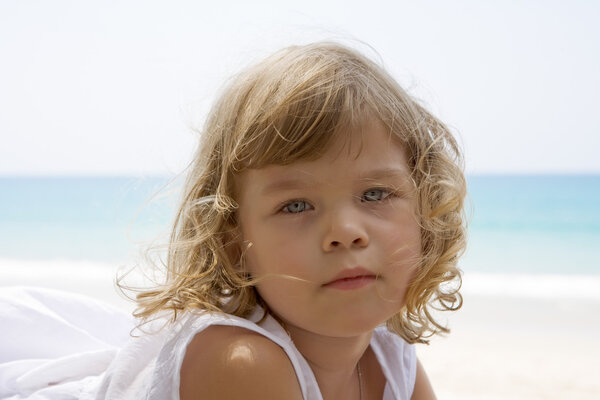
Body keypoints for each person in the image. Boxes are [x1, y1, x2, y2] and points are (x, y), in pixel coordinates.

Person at [97, 41, 467, 400]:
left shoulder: (389, 357)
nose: (345, 232)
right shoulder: (240, 363)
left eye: (375, 194)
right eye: (296, 206)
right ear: (233, 243)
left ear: (426, 210)